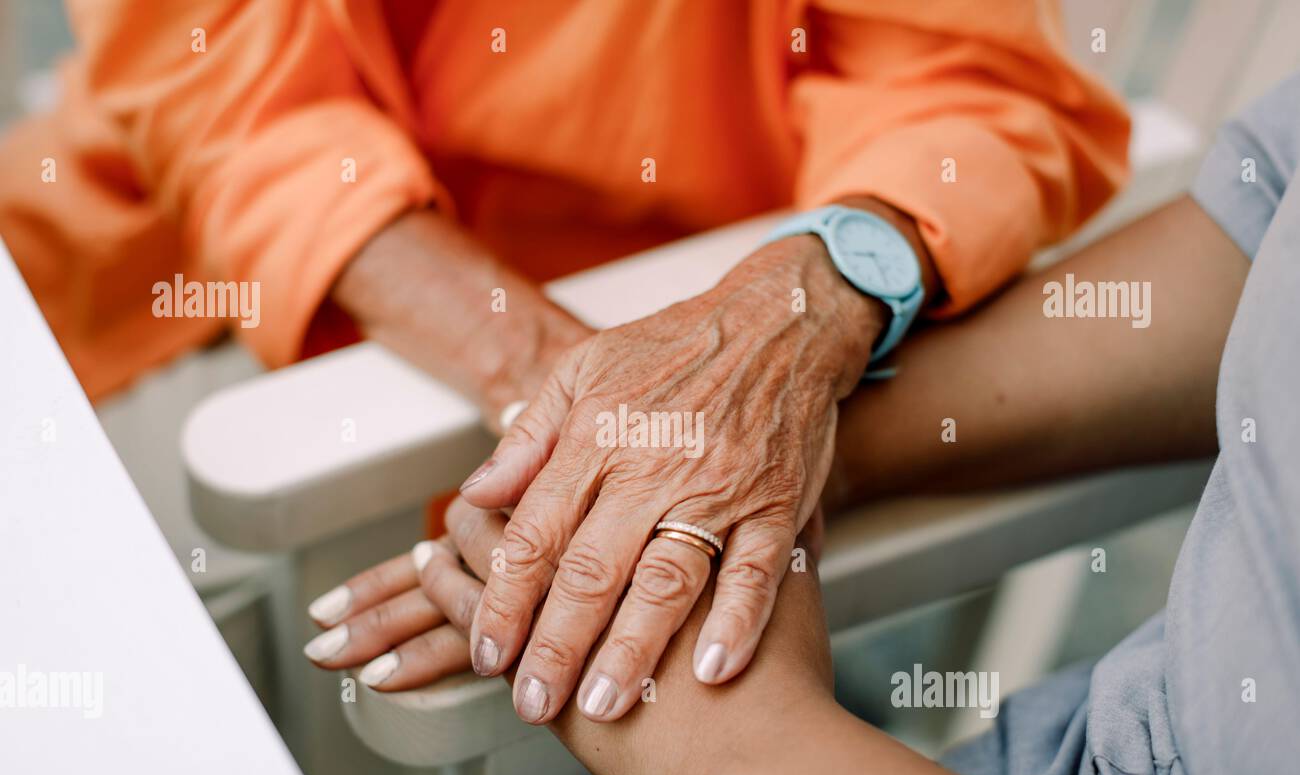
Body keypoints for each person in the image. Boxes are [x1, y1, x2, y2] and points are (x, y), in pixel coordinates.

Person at [1, 2, 1128, 706]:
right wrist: (599, 406)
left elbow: (965, 87)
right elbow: (227, 102)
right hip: (177, 239)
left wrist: (806, 299)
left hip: (674, 268)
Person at [308, 73, 1300, 775]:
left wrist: (755, 763)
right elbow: (1254, 245)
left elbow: (976, 80)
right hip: (1023, 768)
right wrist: (747, 446)